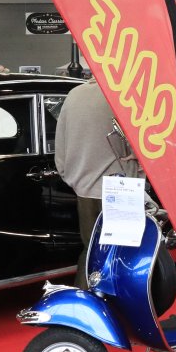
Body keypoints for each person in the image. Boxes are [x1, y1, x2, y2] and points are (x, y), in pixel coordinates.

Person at [53, 80, 140, 265]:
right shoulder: (125, 94)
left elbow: (60, 148)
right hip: (122, 187)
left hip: (84, 189)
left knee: (91, 252)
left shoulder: (74, 95)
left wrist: (73, 178)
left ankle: (87, 284)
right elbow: (145, 142)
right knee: (123, 255)